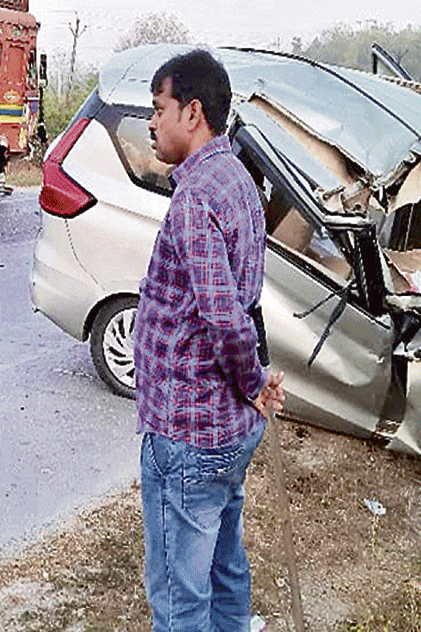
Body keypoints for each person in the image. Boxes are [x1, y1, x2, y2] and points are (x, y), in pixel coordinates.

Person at [133, 48, 286, 632]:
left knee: (178, 595)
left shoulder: (196, 197)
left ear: (192, 112)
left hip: (189, 430)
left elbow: (224, 316)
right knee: (224, 569)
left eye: (158, 107)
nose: (152, 122)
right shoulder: (237, 178)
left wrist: (251, 384)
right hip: (225, 431)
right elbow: (238, 300)